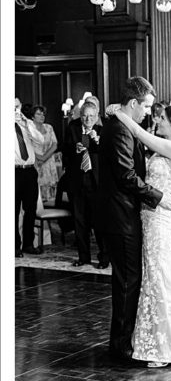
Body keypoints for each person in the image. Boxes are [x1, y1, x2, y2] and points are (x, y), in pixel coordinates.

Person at [108, 104, 171, 367]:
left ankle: (165, 345)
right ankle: (157, 338)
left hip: (159, 219)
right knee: (156, 275)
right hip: (148, 215)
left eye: (162, 118)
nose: (158, 120)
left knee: (157, 276)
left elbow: (140, 135)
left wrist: (119, 114)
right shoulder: (167, 144)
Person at [96, 76, 171, 363]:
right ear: (133, 103)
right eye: (145, 107)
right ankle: (121, 345)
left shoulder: (122, 125)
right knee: (128, 281)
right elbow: (126, 176)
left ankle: (123, 340)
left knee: (128, 279)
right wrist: (158, 196)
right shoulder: (119, 129)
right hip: (120, 217)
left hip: (124, 215)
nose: (147, 113)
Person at [62, 98, 107, 268]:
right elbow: (64, 150)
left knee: (99, 222)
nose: (88, 119)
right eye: (85, 116)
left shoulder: (104, 130)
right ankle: (83, 257)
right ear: (80, 116)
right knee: (80, 222)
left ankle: (104, 257)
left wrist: (97, 141)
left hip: (97, 183)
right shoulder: (72, 128)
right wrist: (74, 150)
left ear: (97, 116)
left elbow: (108, 155)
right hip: (77, 181)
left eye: (91, 116)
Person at [14, 98, 43, 257]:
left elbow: (41, 139)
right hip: (13, 172)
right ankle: (14, 246)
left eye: (17, 106)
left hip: (30, 171)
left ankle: (28, 244)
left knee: (30, 209)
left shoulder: (27, 125)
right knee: (12, 210)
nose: (16, 110)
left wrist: (27, 124)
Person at [27, 105, 59, 206]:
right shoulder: (28, 129)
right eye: (38, 114)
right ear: (32, 116)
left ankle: (51, 219)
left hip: (49, 162)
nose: (42, 116)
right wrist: (39, 157)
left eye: (43, 114)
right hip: (36, 162)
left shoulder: (49, 127)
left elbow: (54, 144)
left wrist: (44, 157)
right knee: (36, 193)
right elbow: (28, 145)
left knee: (51, 194)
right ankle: (39, 218)